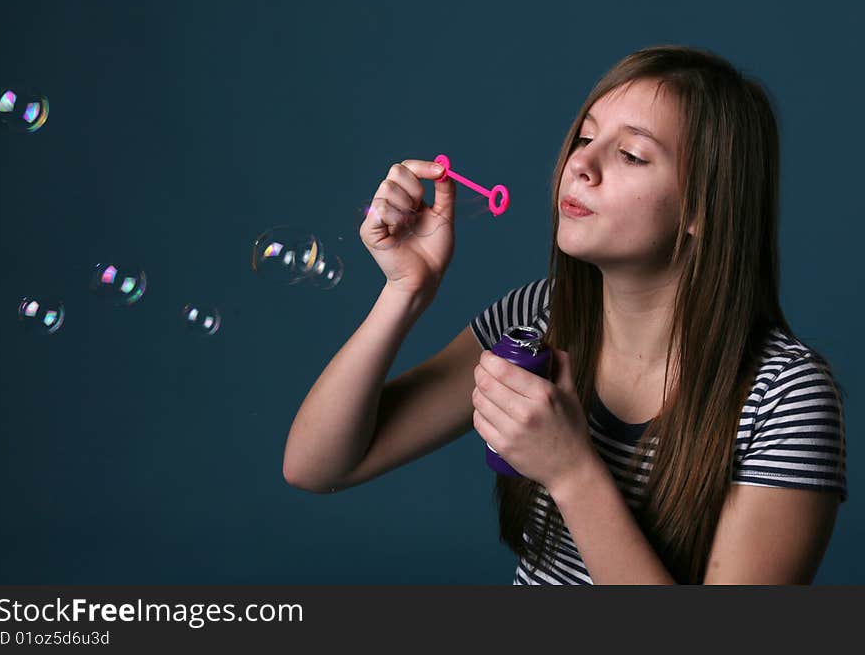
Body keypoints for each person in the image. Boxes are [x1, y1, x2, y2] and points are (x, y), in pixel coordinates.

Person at [282, 44, 847, 584]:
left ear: (704, 205)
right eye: (585, 137)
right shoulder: (538, 318)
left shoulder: (786, 398)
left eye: (629, 154)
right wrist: (405, 291)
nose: (581, 165)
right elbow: (317, 466)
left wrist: (573, 472)